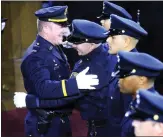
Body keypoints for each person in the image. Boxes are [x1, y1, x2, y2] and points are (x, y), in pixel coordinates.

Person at [14, 6, 99, 137]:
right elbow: (43, 88)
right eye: (61, 26)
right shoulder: (36, 56)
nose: (65, 30)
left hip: (60, 120)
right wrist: (75, 84)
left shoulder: (53, 47)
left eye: (65, 25)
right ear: (46, 28)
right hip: (45, 125)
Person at [114, 51, 163, 136]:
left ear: (142, 79)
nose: (119, 80)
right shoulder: (136, 100)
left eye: (124, 76)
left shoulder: (151, 110)